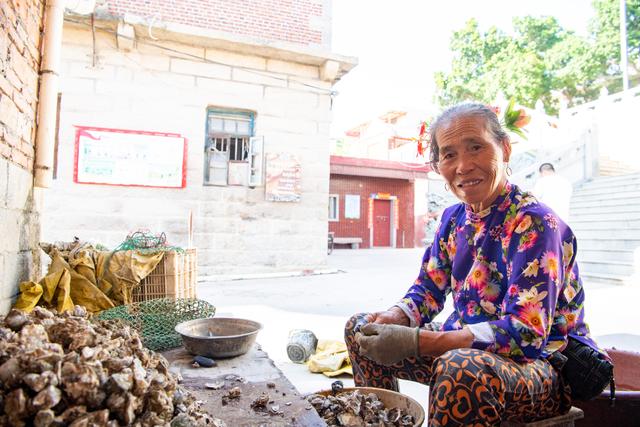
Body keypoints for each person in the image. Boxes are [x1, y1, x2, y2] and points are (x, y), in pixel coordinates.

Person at [345, 103, 601, 426]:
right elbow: (428, 288)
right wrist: (395, 318)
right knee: (361, 332)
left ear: (504, 149)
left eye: (476, 147)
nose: (463, 166)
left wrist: (417, 341)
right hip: (465, 349)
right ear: (439, 165)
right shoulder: (454, 219)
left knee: (459, 370)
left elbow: (526, 334)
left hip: (540, 366)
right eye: (449, 155)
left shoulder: (535, 223)